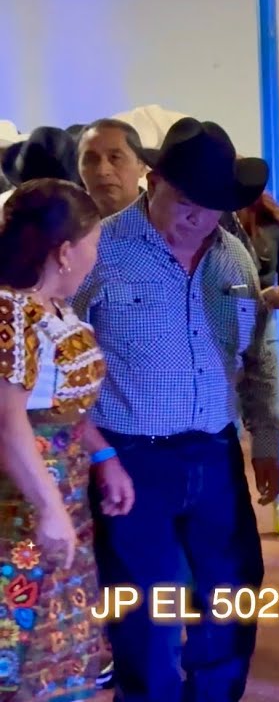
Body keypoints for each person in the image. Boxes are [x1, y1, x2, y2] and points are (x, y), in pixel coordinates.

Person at [72, 119, 279, 700]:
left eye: (212, 207)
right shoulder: (98, 252)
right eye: (186, 203)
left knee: (234, 595)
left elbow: (258, 358)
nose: (197, 218)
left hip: (215, 454)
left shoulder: (232, 259)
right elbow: (55, 369)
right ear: (153, 180)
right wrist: (96, 452)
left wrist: (267, 442)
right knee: (145, 614)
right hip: (129, 459)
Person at [0, 179, 131, 700]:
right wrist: (49, 507)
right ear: (63, 251)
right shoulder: (11, 313)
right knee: (22, 621)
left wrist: (103, 455)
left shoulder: (51, 307)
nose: (95, 258)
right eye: (94, 245)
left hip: (63, 488)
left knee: (57, 628)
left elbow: (65, 409)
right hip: (24, 503)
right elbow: (9, 421)